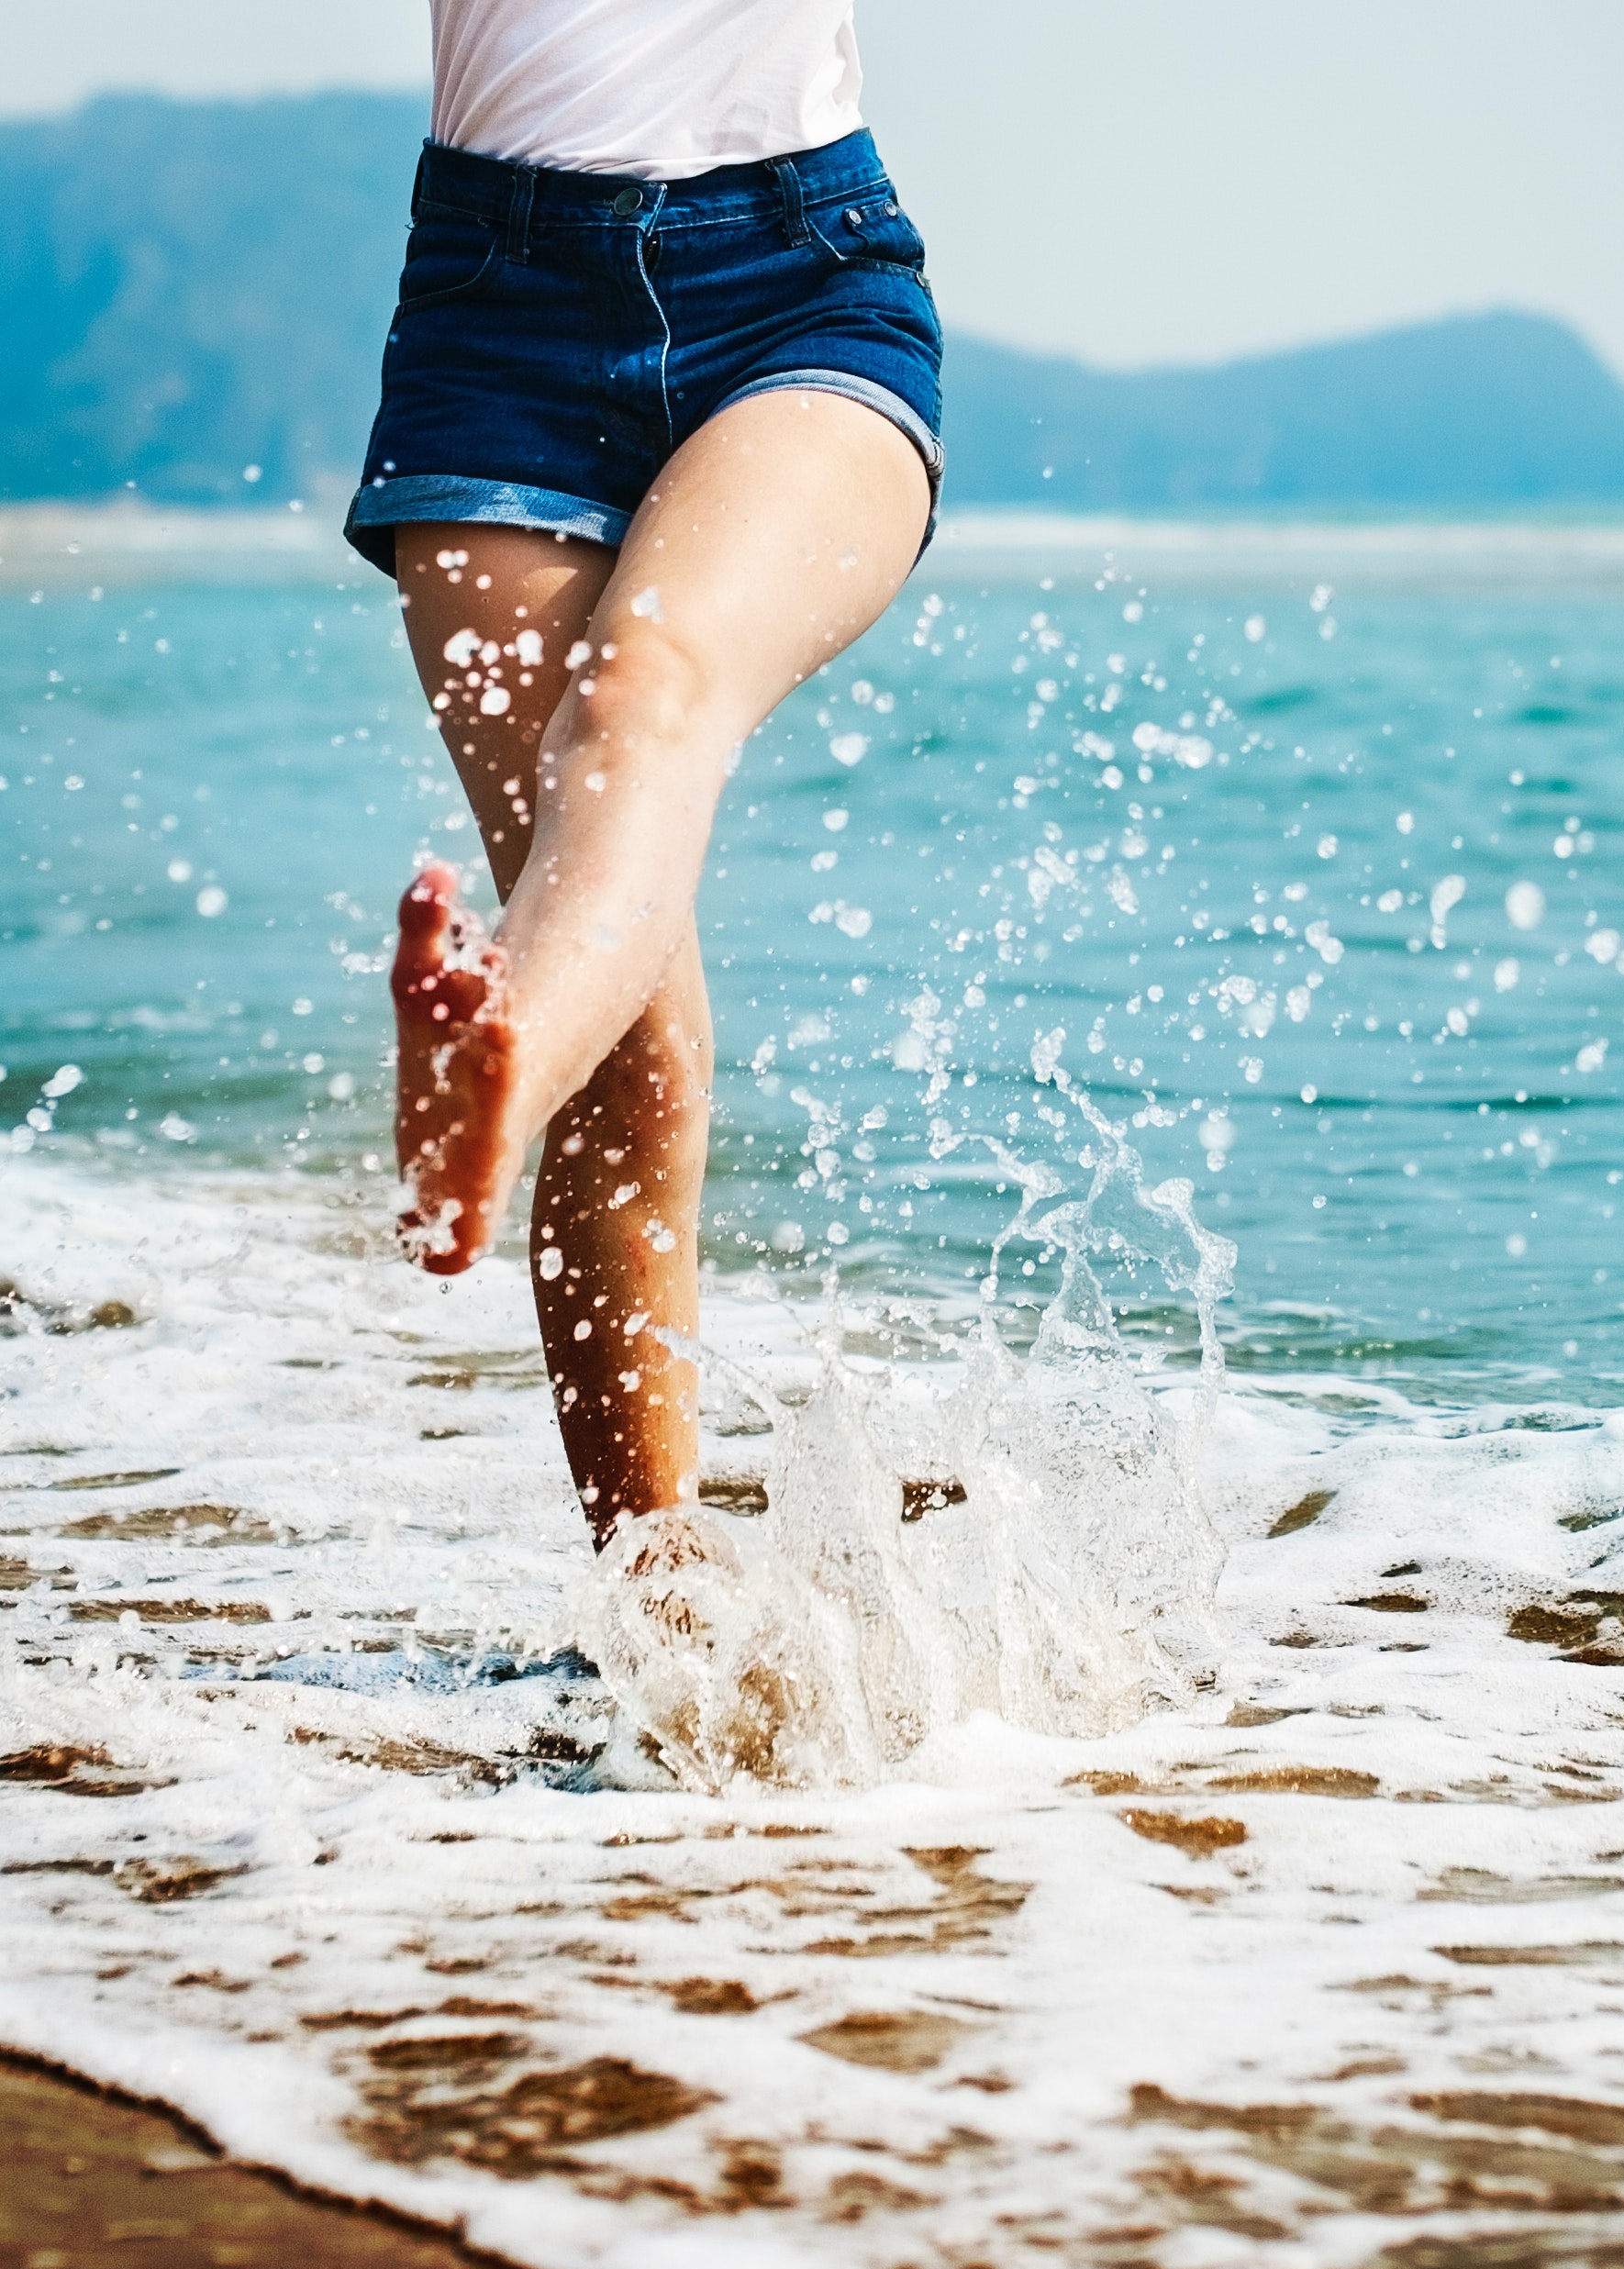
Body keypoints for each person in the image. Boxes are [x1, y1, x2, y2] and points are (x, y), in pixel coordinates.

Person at [346, 0, 940, 1543]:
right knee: (639, 1053)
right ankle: (660, 1605)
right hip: (498, 322)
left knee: (646, 689)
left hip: (800, 280)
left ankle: (484, 1088)